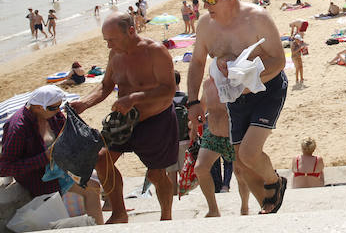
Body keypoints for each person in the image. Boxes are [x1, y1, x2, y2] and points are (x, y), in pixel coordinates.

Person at [186, 0, 288, 215]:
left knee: (249, 153)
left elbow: (279, 61)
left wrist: (248, 79)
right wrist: (192, 101)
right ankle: (268, 204)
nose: (205, 6)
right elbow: (197, 62)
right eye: (202, 1)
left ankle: (275, 182)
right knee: (241, 165)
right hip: (234, 96)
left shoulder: (258, 19)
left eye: (210, 0)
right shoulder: (205, 26)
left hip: (267, 89)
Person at [69, 13, 177, 223]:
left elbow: (169, 90)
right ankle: (119, 212)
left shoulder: (155, 52)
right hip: (123, 121)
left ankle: (166, 217)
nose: (109, 45)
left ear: (130, 31)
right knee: (101, 159)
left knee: (156, 175)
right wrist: (85, 103)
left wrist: (135, 98)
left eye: (112, 39)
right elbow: (106, 85)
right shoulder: (115, 55)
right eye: (106, 40)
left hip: (156, 119)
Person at [0, 85, 103, 224]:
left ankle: (98, 227)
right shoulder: (18, 127)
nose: (58, 111)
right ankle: (97, 227)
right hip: (39, 177)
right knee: (91, 188)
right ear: (37, 107)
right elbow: (5, 168)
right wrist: (45, 157)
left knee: (98, 167)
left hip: (58, 167)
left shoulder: (52, 116)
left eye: (59, 107)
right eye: (54, 108)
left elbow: (65, 134)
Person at [194, 77, 250, 217]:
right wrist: (194, 124)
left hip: (234, 134)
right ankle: (213, 209)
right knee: (200, 169)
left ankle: (244, 208)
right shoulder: (208, 84)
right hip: (213, 133)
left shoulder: (238, 81)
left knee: (240, 173)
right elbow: (203, 106)